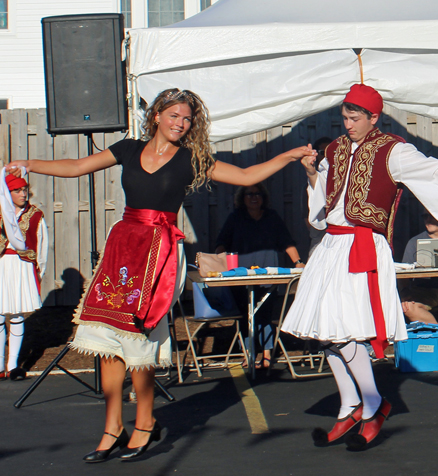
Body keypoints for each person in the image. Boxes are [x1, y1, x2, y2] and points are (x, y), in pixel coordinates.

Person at [6, 88, 316, 462]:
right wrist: (29, 163)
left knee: (140, 339)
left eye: (187, 119)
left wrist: (290, 154)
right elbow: (75, 166)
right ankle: (111, 427)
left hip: (160, 252)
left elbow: (247, 174)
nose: (181, 124)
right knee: (105, 339)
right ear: (156, 116)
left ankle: (144, 422)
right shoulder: (128, 149)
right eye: (174, 116)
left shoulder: (190, 160)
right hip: (123, 246)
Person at [281, 83, 438, 450]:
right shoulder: (333, 150)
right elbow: (320, 210)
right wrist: (311, 174)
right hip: (331, 246)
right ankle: (352, 404)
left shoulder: (392, 150)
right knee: (324, 331)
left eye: (355, 118)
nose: (348, 124)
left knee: (347, 330)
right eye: (345, 117)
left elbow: (433, 171)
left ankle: (371, 405)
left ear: (373, 117)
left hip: (363, 244)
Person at [214, 182, 305, 368]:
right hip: (240, 275)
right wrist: (219, 262)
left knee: (264, 313)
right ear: (242, 198)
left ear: (263, 198)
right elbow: (222, 243)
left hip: (267, 273)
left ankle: (266, 354)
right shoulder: (235, 218)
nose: (253, 197)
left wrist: (298, 262)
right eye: (249, 194)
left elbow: (287, 242)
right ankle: (248, 353)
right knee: (245, 315)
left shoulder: (272, 218)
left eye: (257, 194)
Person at [0, 174, 48, 381]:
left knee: (17, 314)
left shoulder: (35, 215)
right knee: (0, 315)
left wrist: (39, 270)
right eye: (17, 191)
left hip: (21, 266)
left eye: (24, 190)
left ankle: (13, 366)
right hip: (1, 265)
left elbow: (42, 243)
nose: (23, 194)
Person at [301, 137, 332, 257]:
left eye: (331, 151)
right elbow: (307, 218)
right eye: (323, 152)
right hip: (320, 241)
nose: (327, 156)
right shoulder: (308, 185)